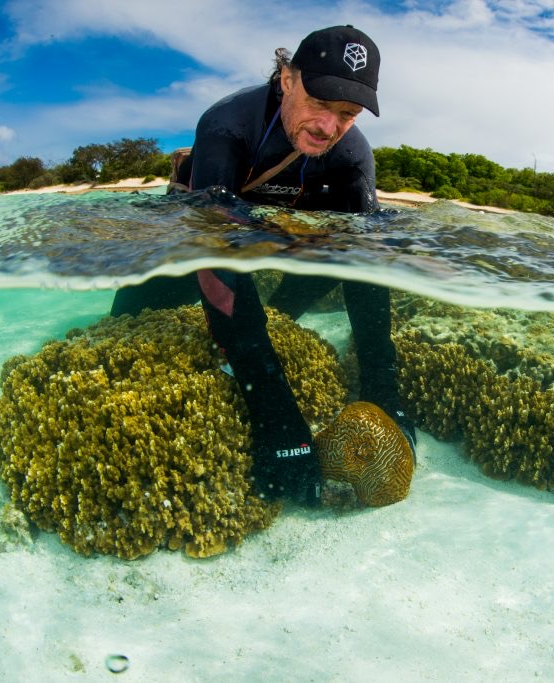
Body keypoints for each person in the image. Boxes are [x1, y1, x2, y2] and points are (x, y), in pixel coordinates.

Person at [111, 25, 412, 506]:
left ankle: (290, 326)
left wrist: (383, 387)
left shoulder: (353, 157)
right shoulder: (229, 125)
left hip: (279, 232)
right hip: (204, 222)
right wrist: (277, 414)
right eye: (320, 102)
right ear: (288, 78)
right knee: (127, 318)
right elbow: (215, 251)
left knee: (348, 249)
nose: (328, 127)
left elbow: (367, 261)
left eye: (348, 114)